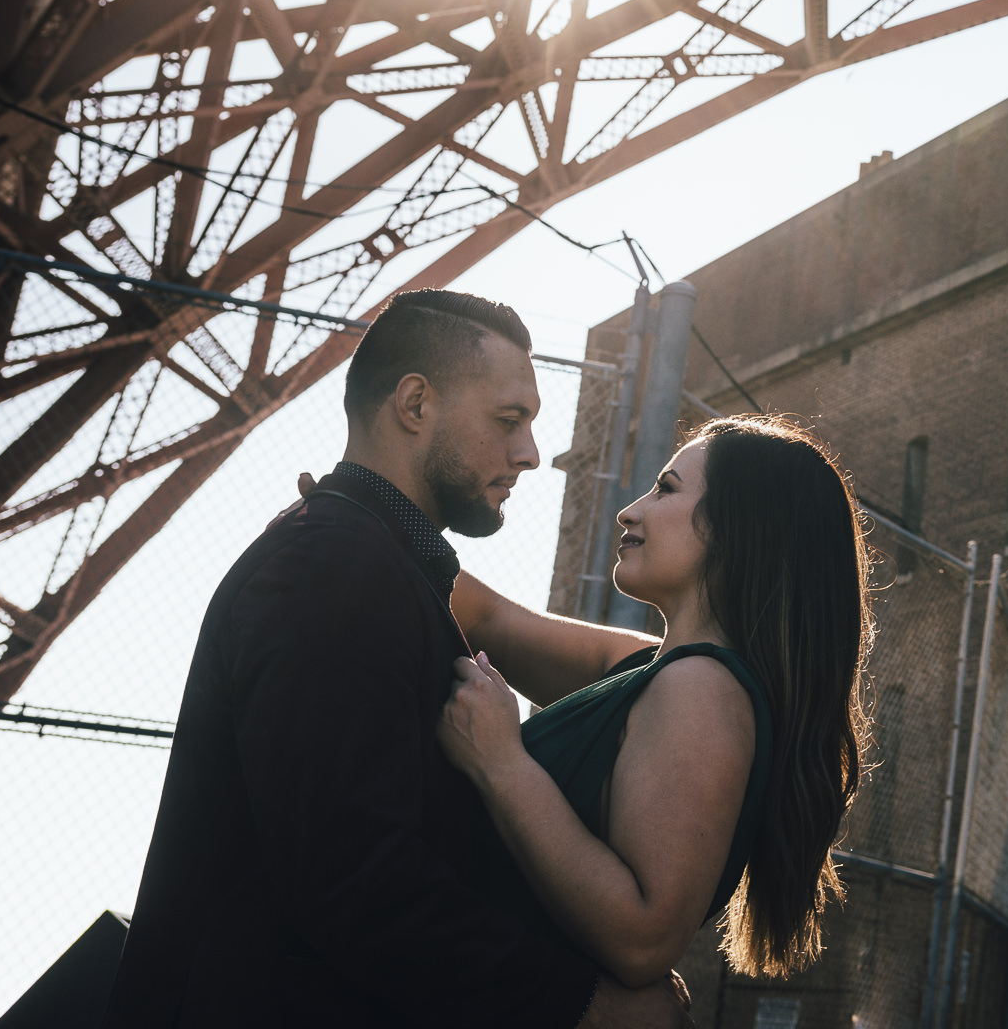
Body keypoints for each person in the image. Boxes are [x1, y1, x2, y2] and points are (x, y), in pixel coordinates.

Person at [105, 289, 690, 1029]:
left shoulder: (372, 563)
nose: (531, 454)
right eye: (509, 420)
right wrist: (587, 1008)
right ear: (415, 404)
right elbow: (355, 880)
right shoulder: (333, 568)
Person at [431, 414, 871, 991]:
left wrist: (500, 762)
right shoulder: (658, 671)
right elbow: (489, 619)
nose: (629, 510)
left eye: (666, 489)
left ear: (734, 528)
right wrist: (367, 520)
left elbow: (643, 938)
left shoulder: (702, 693)